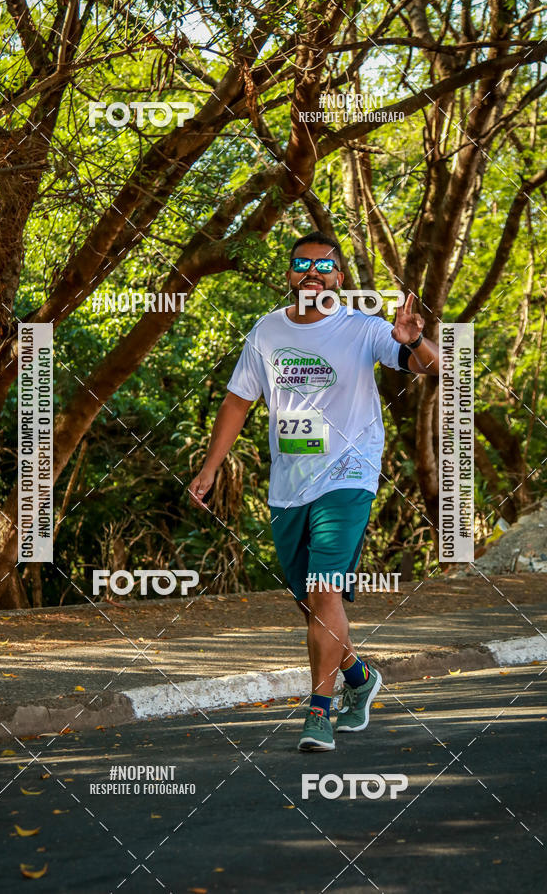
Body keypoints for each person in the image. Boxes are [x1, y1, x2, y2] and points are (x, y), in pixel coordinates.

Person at [188, 231, 439, 752]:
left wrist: (413, 339)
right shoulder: (266, 333)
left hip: (349, 476)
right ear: (289, 274)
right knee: (313, 603)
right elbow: (238, 402)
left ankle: (318, 713)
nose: (312, 274)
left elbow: (427, 366)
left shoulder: (362, 329)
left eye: (323, 267)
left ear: (339, 280)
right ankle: (359, 676)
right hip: (288, 487)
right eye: (301, 264)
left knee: (324, 590)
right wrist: (211, 467)